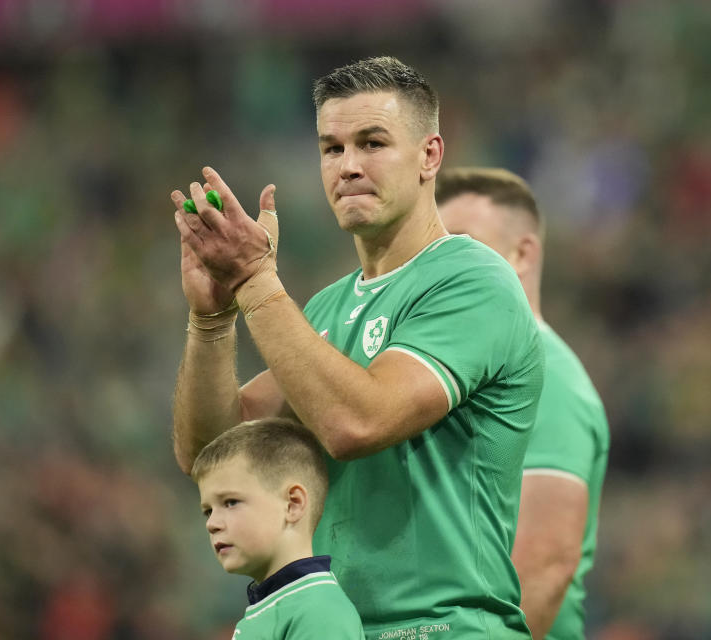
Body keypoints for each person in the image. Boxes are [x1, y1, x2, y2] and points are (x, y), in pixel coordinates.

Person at [172, 56, 543, 638]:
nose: (348, 166)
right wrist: (212, 318)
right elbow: (214, 453)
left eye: (372, 143)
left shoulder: (473, 281)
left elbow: (357, 423)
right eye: (332, 148)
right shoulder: (322, 310)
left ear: (430, 155)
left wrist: (255, 281)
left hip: (445, 627)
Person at [436, 167, 610, 640]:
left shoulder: (546, 376)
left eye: (464, 242)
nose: (441, 264)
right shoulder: (453, 374)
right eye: (434, 247)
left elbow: (544, 565)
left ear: (522, 253)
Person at [192, 417, 365, 639]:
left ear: (293, 504)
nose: (211, 524)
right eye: (208, 511)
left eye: (230, 502)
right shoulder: (273, 608)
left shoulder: (318, 612)